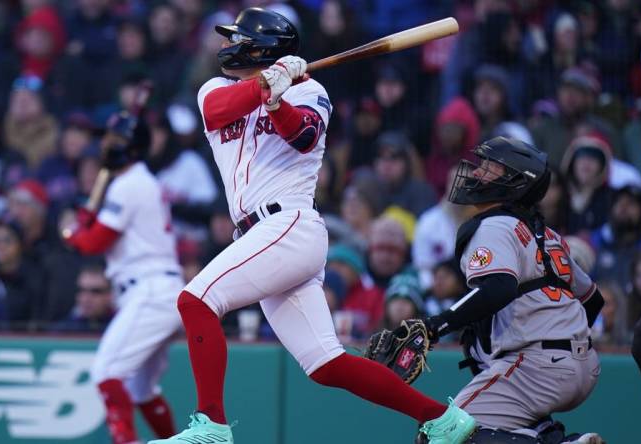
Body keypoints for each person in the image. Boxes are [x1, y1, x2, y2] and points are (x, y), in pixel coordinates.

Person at [149, 8, 476, 444]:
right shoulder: (215, 88)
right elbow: (217, 112)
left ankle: (211, 427)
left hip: (289, 224)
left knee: (196, 301)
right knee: (327, 364)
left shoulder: (311, 91)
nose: (228, 45)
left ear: (259, 47)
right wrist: (267, 85)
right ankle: (442, 418)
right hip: (259, 236)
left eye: (237, 38)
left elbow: (302, 136)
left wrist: (278, 99)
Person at [393, 137, 605, 443]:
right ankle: (549, 436)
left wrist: (434, 325)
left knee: (443, 434)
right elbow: (593, 300)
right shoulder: (548, 235)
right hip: (583, 365)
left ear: (513, 182)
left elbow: (498, 288)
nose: (476, 173)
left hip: (536, 365)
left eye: (488, 168)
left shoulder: (495, 225)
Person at [62, 110, 181, 444]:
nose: (106, 145)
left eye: (114, 139)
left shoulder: (129, 184)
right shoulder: (136, 181)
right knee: (141, 389)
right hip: (160, 289)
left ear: (132, 145)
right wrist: (86, 223)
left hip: (150, 289)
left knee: (106, 372)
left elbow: (94, 242)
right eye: (106, 138)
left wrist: (72, 233)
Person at [51, 261, 114, 333]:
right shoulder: (63, 331)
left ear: (110, 295)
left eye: (95, 291)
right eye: (81, 290)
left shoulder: (121, 326)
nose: (86, 298)